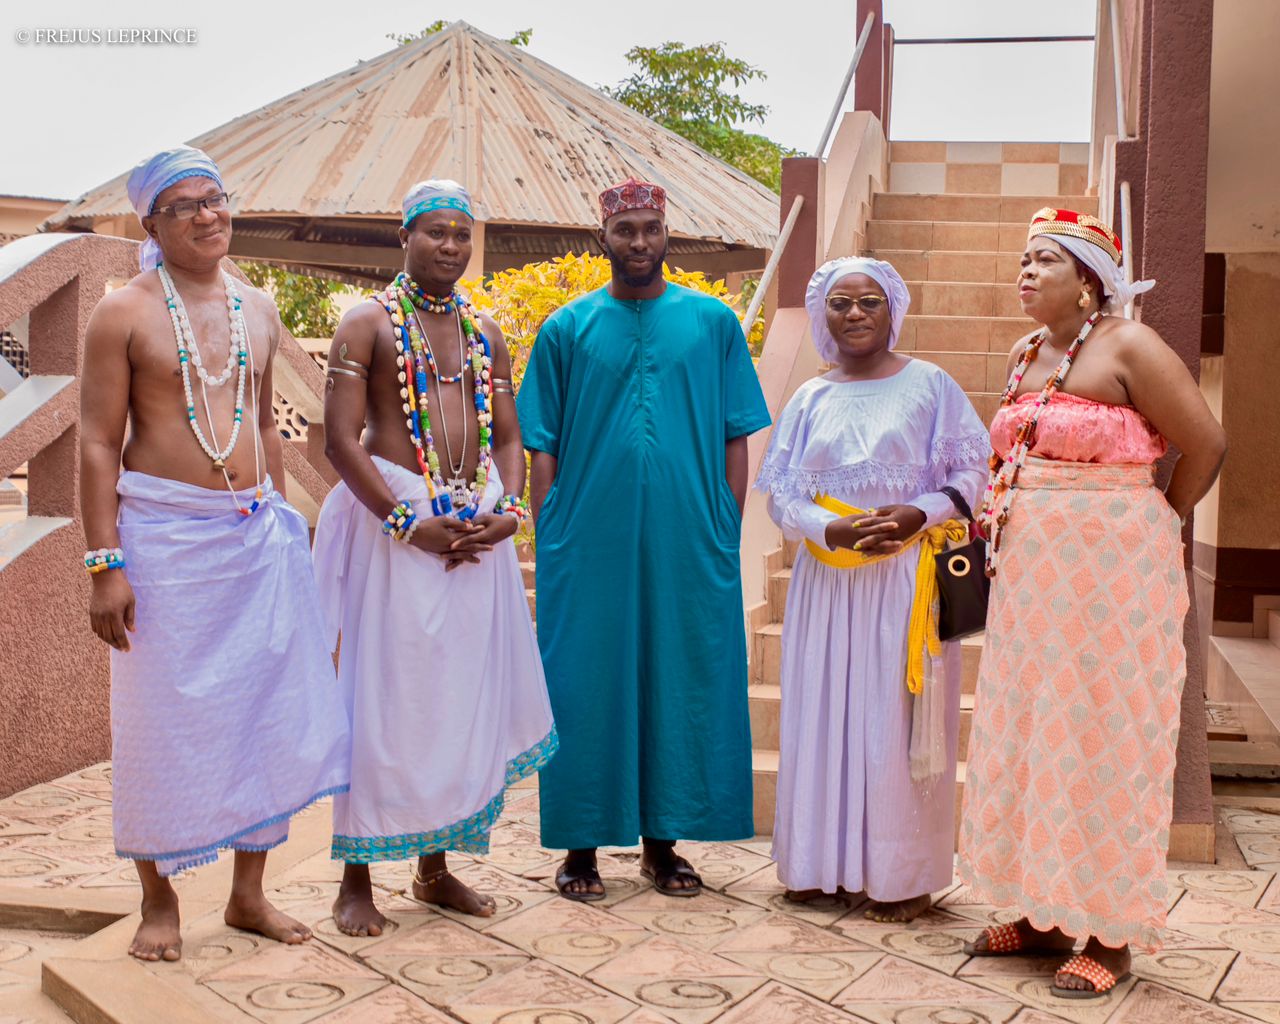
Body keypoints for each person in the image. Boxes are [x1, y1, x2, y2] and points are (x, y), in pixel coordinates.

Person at [79, 145, 351, 963]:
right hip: (164, 541)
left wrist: (285, 522)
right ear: (152, 224)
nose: (208, 215)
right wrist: (105, 563)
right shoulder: (122, 313)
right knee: (160, 721)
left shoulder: (256, 307)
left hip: (254, 535)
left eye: (216, 198)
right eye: (186, 205)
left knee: (263, 712)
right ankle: (158, 899)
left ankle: (247, 894)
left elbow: (264, 423)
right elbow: (97, 443)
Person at [958, 208, 1227, 998]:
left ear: (1088, 280)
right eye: (1024, 259)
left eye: (1044, 259)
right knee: (1037, 730)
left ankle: (1110, 934)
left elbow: (1206, 443)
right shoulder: (1025, 353)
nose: (1026, 271)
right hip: (1033, 580)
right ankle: (1043, 913)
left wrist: (1158, 519)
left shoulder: (1130, 345)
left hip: (1115, 576)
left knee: (1106, 733)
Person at [517, 177, 771, 901]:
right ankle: (580, 848)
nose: (637, 242)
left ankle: (665, 846)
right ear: (603, 236)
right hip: (585, 539)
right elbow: (541, 441)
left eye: (649, 229)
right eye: (624, 230)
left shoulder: (713, 323)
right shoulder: (566, 328)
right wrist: (552, 526)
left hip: (690, 535)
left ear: (667, 236)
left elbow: (735, 433)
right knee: (584, 677)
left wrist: (725, 522)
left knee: (681, 672)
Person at [313, 179, 556, 935]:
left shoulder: (485, 332)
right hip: (394, 528)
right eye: (436, 232)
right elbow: (339, 442)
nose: (451, 246)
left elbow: (508, 437)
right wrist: (404, 523)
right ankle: (355, 880)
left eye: (461, 234)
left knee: (455, 699)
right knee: (384, 700)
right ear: (405, 237)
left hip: (473, 527)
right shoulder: (366, 324)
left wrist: (507, 513)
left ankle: (434, 868)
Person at [756, 257, 988, 923]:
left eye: (869, 302)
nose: (854, 313)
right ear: (822, 316)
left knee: (896, 724)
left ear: (893, 309)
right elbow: (782, 497)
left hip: (906, 580)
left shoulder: (932, 385)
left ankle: (902, 877)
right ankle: (816, 866)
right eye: (840, 304)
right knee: (821, 714)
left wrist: (922, 511)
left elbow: (973, 474)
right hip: (827, 581)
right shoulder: (809, 398)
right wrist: (828, 528)